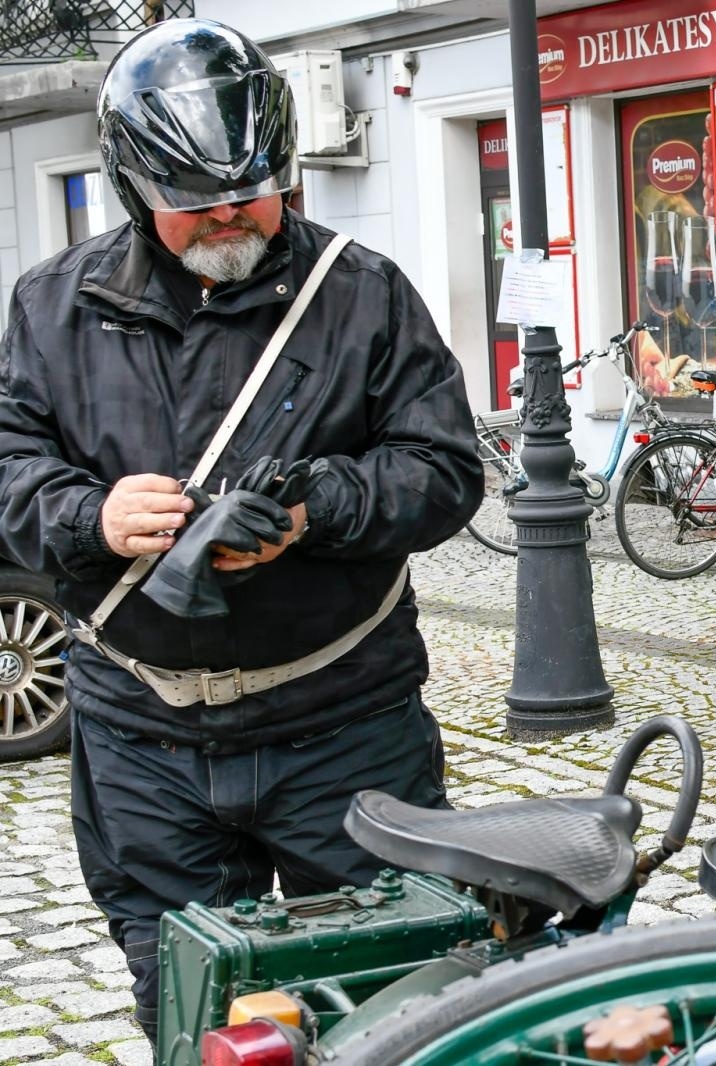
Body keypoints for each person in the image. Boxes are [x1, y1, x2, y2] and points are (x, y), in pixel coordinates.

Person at [0, 19, 480, 1043]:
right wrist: (93, 515)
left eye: (254, 188)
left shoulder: (363, 293)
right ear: (133, 186)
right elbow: (9, 469)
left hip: (344, 728)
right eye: (197, 202)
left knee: (387, 999)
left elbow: (445, 474)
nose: (231, 215)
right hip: (142, 736)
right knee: (189, 1007)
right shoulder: (51, 307)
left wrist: (317, 509)